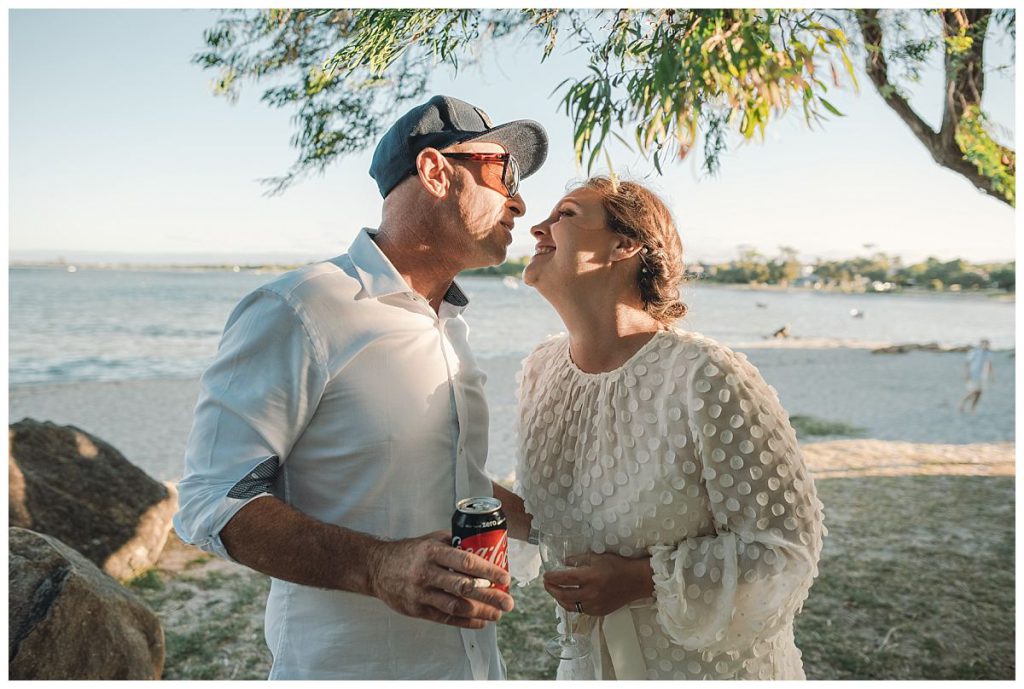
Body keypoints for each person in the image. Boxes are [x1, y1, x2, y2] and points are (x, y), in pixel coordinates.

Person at [173, 95, 548, 680]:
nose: (520, 202)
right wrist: (377, 567)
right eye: (505, 173)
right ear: (435, 172)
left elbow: (455, 475)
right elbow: (212, 498)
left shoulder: (449, 323)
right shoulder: (300, 308)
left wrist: (568, 529)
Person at [507, 176, 825, 680]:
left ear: (624, 244)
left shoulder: (706, 375)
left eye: (564, 215)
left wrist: (640, 580)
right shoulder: (542, 370)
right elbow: (558, 521)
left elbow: (784, 549)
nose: (537, 228)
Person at [959, 338, 994, 413]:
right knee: (974, 391)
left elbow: (990, 364)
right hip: (972, 374)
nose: (986, 345)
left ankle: (972, 408)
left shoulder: (988, 353)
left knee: (980, 393)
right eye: (984, 344)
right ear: (981, 344)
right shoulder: (975, 352)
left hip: (981, 376)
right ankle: (962, 402)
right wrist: (966, 374)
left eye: (987, 344)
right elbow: (967, 363)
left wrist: (992, 376)